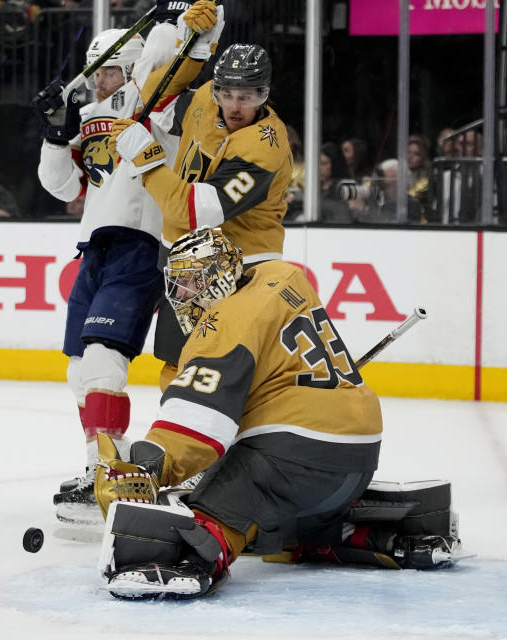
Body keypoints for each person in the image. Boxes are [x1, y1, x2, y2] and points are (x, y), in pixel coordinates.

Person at [90, 227, 464, 599]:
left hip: (294, 450)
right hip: (358, 451)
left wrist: (147, 466)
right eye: (178, 283)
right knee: (281, 523)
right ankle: (381, 532)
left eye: (191, 280)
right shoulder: (283, 277)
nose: (182, 294)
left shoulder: (223, 321)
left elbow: (197, 423)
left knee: (225, 503)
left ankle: (186, 559)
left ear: (219, 275)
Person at [34, 1, 222, 523]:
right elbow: (63, 186)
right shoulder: (90, 114)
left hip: (141, 244)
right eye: (96, 71)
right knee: (80, 370)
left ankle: (109, 474)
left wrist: (172, 22)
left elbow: (164, 60)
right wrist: (55, 133)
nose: (101, 80)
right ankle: (98, 464)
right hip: (93, 245)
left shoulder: (155, 105)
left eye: (112, 68)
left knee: (102, 361)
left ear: (135, 67)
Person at [109, 36, 293, 391]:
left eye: (248, 97)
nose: (235, 106)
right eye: (227, 94)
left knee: (221, 371)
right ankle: (182, 441)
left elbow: (192, 213)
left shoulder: (265, 146)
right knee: (176, 363)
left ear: (265, 95)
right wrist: (193, 55)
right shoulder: (207, 98)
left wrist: (146, 161)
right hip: (187, 263)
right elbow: (155, 95)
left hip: (241, 268)